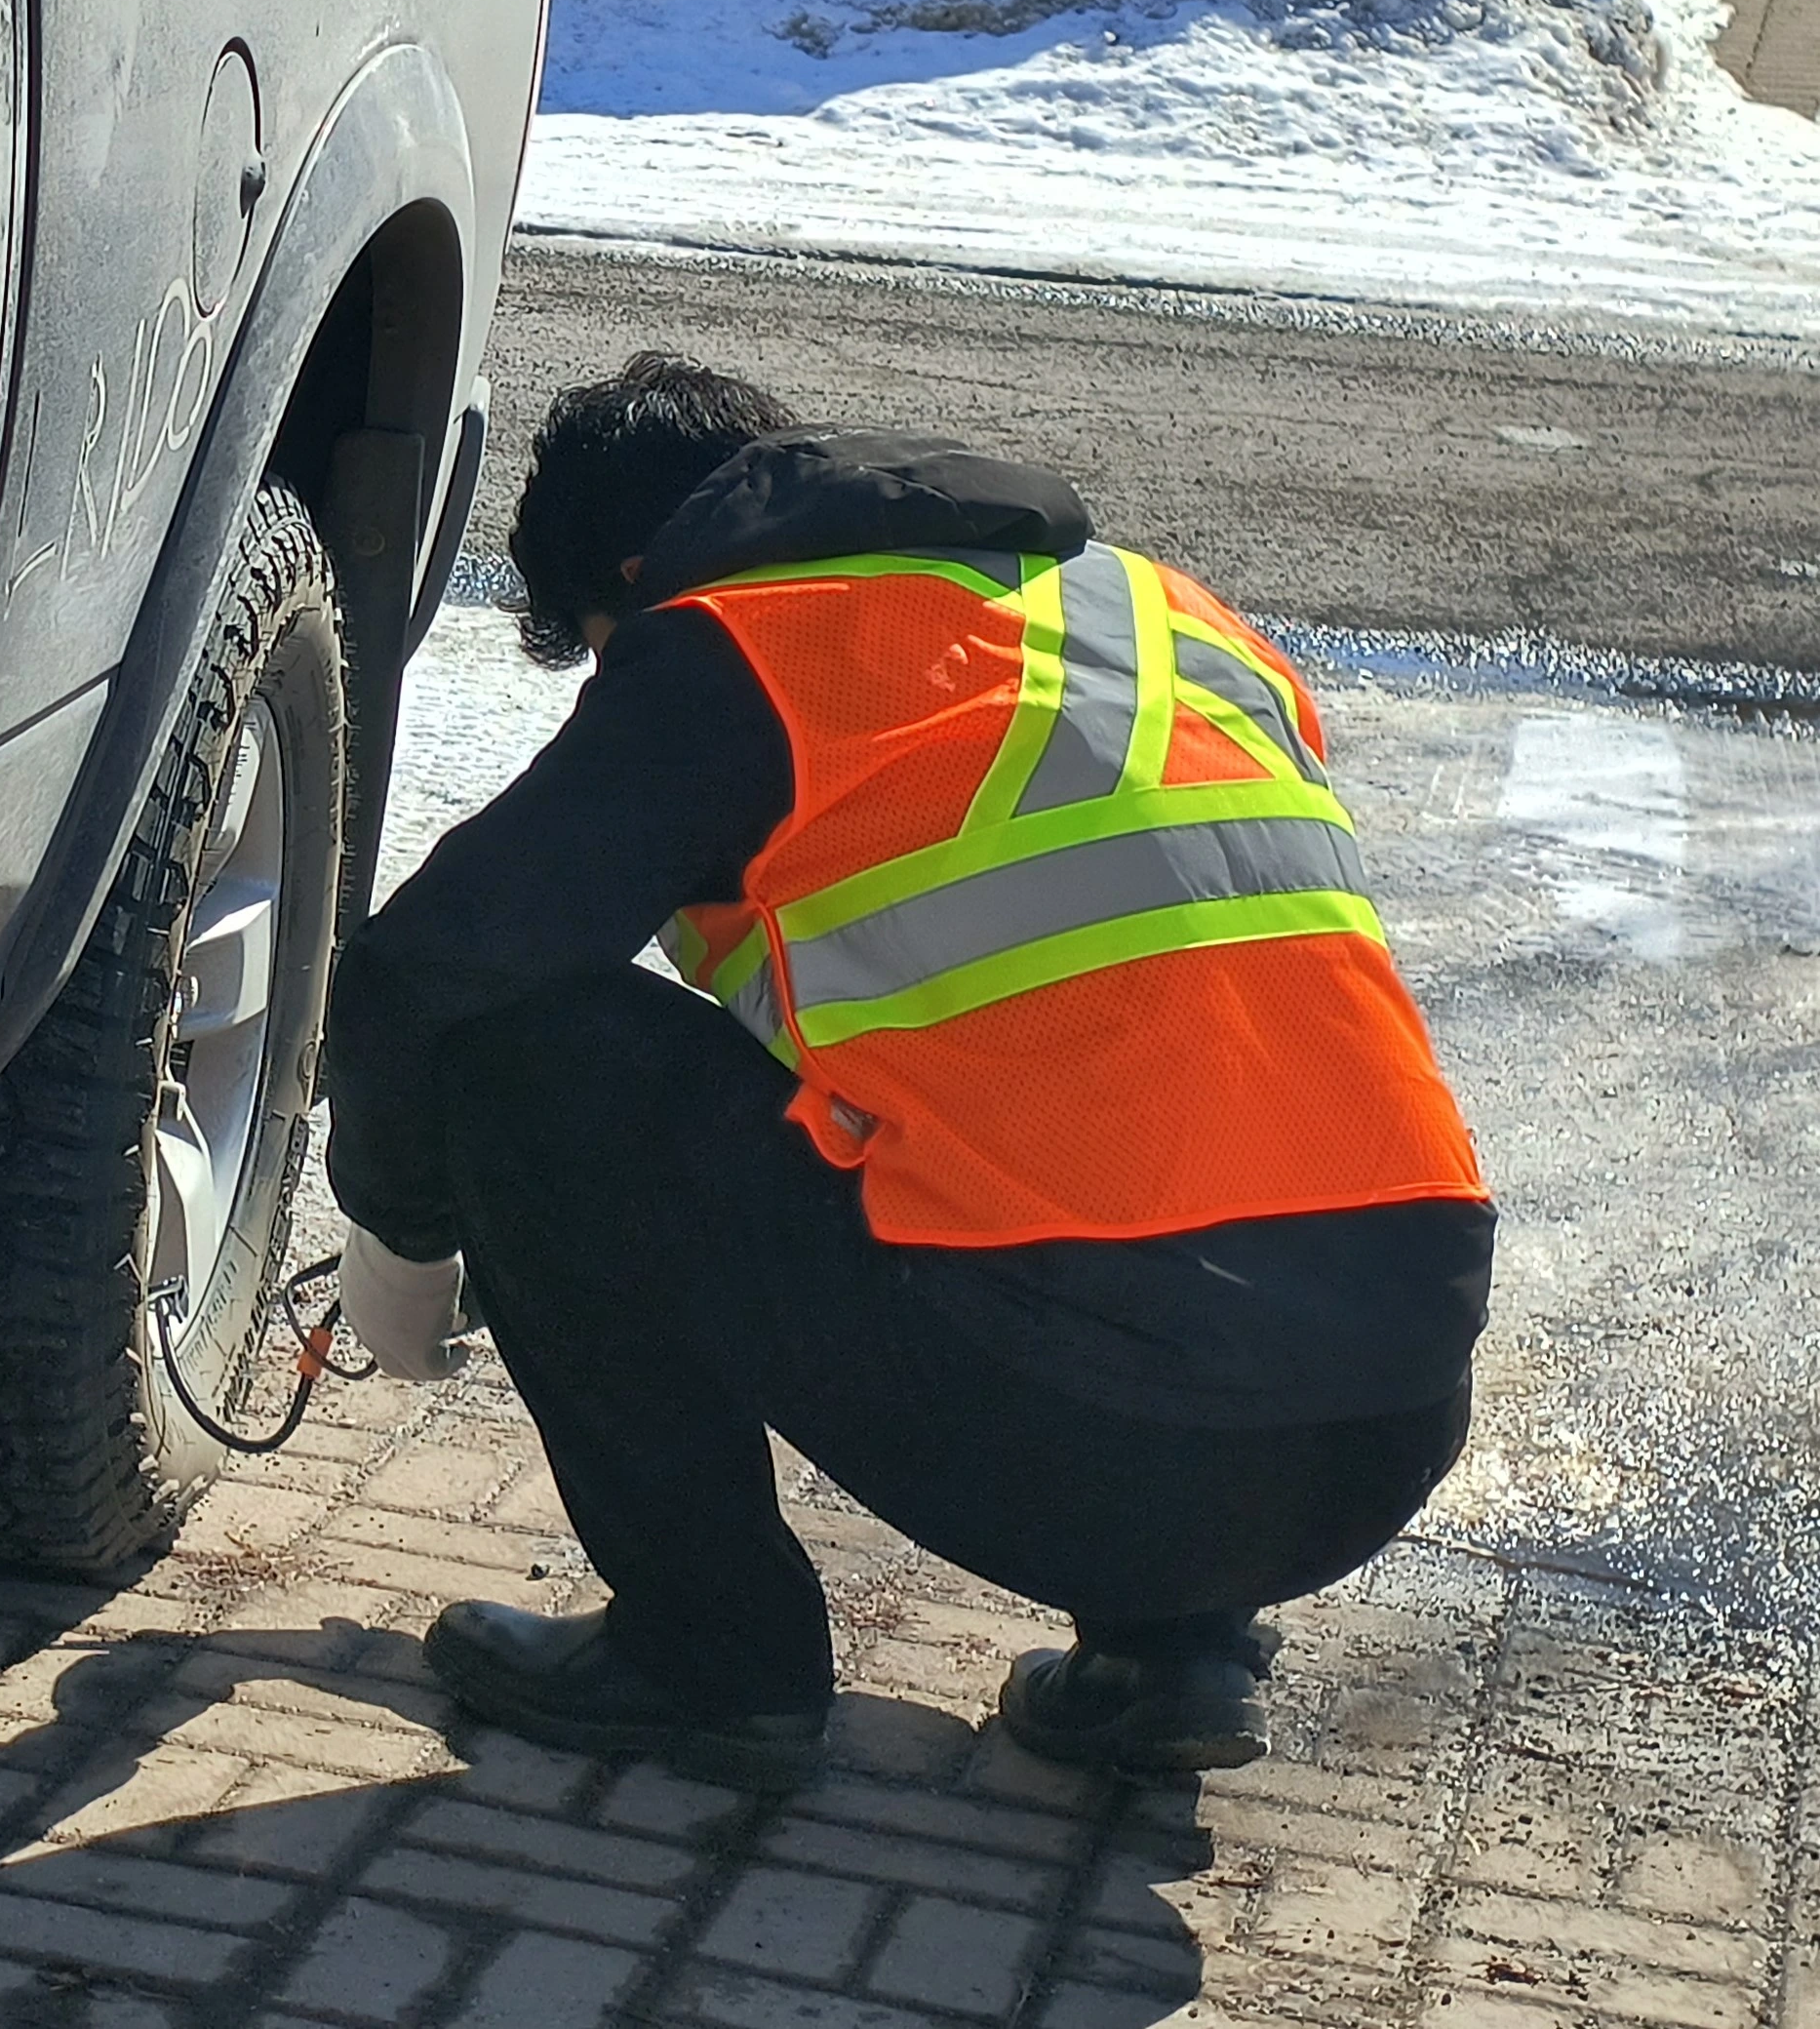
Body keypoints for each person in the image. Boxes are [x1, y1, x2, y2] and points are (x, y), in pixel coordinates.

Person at [322, 353, 1493, 1788]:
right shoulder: (1167, 618)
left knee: (528, 1063)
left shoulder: (740, 643)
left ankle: (706, 1656)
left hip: (1107, 1445)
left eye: (600, 646)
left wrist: (399, 1229)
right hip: (1385, 1426)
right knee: (1112, 1113)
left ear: (636, 576)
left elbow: (426, 972)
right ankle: (1167, 1653)